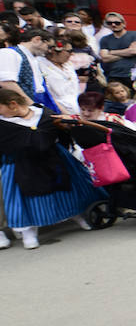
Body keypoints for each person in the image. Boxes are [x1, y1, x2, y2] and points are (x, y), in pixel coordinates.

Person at [0, 87, 102, 249]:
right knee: (27, 199)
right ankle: (29, 230)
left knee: (67, 190)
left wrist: (64, 128)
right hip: (21, 165)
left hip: (54, 158)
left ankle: (77, 213)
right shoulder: (4, 125)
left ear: (13, 104)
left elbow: (59, 133)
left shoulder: (44, 114)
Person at [1, 26, 54, 106]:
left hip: (40, 103)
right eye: (48, 46)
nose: (49, 50)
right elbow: (7, 83)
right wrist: (32, 105)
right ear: (37, 40)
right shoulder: (9, 53)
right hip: (20, 107)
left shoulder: (35, 60)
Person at [37, 38, 81, 115]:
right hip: (56, 110)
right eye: (69, 51)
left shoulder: (68, 65)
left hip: (77, 108)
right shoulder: (40, 64)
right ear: (55, 51)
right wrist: (64, 113)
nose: (72, 54)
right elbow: (46, 93)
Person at [98, 14, 136, 85]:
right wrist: (128, 52)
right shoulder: (105, 39)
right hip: (113, 75)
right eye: (109, 23)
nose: (113, 25)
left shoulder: (135, 35)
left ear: (124, 24)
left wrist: (111, 52)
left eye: (117, 23)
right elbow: (105, 58)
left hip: (133, 74)